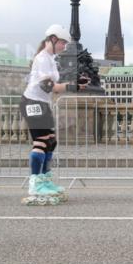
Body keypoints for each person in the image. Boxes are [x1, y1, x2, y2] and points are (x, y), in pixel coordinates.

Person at [20, 24, 86, 204]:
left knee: (51, 141)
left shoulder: (51, 58)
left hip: (42, 103)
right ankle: (35, 183)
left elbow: (56, 82)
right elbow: (47, 86)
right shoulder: (42, 59)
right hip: (32, 102)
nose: (64, 46)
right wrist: (72, 87)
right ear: (53, 39)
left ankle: (45, 180)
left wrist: (75, 82)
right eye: (63, 42)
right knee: (41, 141)